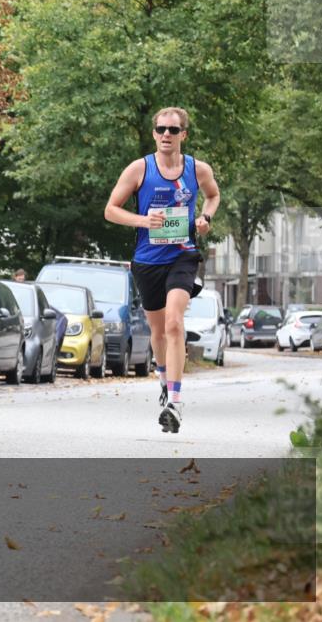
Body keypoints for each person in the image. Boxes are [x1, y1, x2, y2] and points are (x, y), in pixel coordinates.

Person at [104, 107, 220, 433]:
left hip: (183, 256)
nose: (165, 135)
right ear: (154, 133)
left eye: (172, 129)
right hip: (147, 260)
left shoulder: (198, 169)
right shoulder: (139, 169)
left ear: (184, 134)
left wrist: (205, 219)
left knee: (173, 322)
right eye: (160, 129)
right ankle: (165, 382)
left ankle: (176, 403)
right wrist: (144, 220)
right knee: (157, 331)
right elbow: (111, 210)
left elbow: (213, 196)